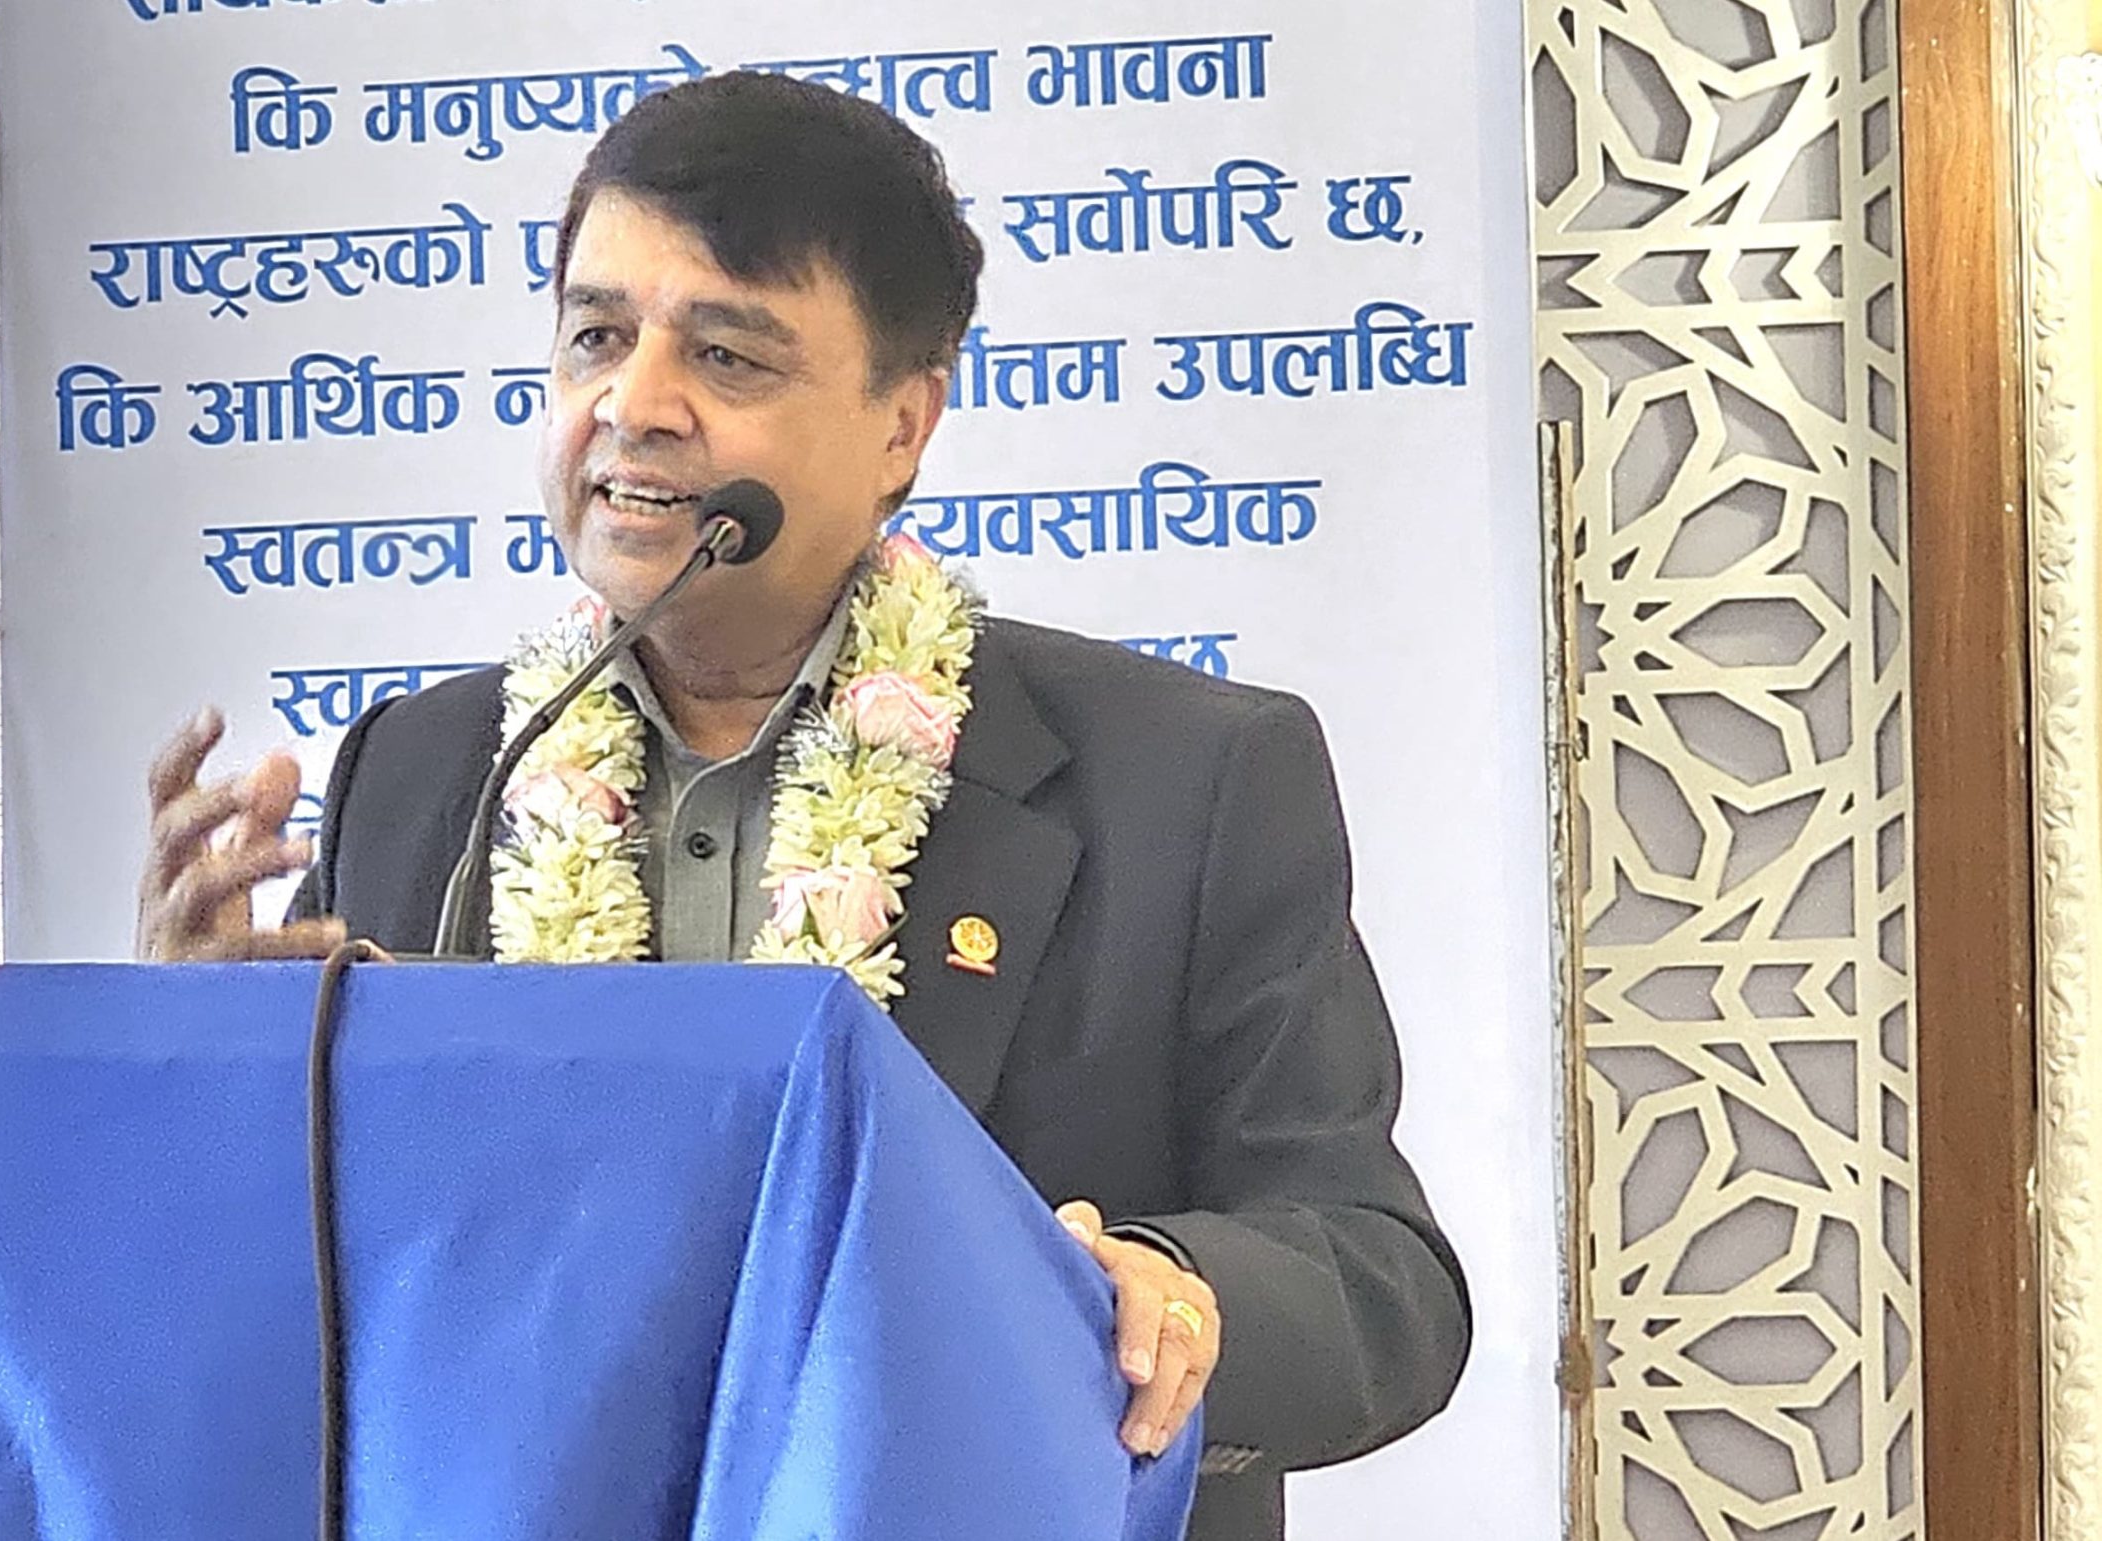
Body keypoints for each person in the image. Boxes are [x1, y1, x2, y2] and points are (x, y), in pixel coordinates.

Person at [134, 70, 1467, 1540]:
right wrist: (202, 1074)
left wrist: (1174, 1292)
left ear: (904, 425)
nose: (633, 406)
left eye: (727, 355)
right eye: (595, 337)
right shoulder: (429, 774)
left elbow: (1381, 1282)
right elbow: (322, 1300)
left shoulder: (1188, 780)